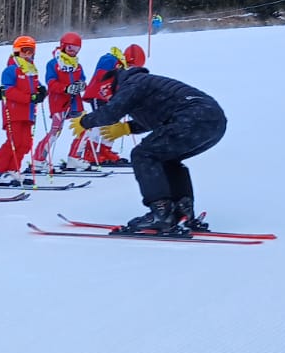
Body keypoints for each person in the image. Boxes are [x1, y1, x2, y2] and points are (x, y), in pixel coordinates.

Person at [70, 64, 225, 236]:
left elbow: (111, 112)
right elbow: (158, 118)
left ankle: (161, 213)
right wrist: (127, 128)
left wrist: (85, 122)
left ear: (110, 86)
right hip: (214, 121)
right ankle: (183, 210)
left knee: (143, 155)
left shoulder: (132, 83)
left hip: (192, 116)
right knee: (166, 159)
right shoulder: (143, 84)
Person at [0, 35, 47, 186]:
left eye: (30, 51)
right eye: (24, 50)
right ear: (17, 51)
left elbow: (36, 87)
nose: (27, 54)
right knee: (14, 142)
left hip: (28, 113)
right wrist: (30, 97)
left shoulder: (31, 71)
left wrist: (41, 92)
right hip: (14, 112)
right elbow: (9, 91)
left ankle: (13, 169)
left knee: (26, 143)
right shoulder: (11, 70)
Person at [75, 43, 146, 166]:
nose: (130, 69)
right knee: (98, 122)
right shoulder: (109, 59)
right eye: (130, 65)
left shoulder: (124, 68)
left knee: (112, 124)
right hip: (98, 95)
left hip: (111, 98)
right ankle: (89, 152)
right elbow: (102, 77)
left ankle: (104, 150)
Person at [31, 31, 90, 173]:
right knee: (55, 131)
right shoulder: (54, 64)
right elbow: (51, 83)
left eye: (76, 49)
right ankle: (38, 159)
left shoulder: (77, 65)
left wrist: (81, 85)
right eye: (70, 48)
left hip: (75, 102)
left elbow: (82, 79)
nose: (73, 52)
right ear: (63, 46)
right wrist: (66, 88)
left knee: (87, 126)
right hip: (59, 102)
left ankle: (74, 157)